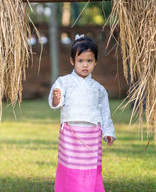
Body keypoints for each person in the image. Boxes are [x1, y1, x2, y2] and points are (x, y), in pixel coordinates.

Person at [48, 34, 116, 192]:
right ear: (72, 61)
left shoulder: (99, 89)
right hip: (70, 135)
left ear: (95, 62)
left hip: (91, 136)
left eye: (89, 61)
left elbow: (105, 112)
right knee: (71, 168)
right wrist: (57, 98)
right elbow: (56, 102)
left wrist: (108, 132)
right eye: (80, 61)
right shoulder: (64, 82)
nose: (85, 65)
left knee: (89, 169)